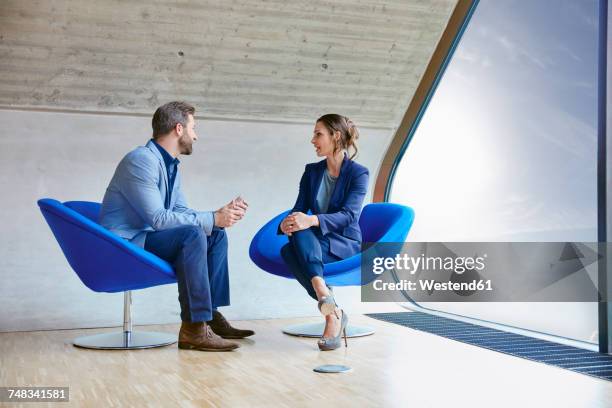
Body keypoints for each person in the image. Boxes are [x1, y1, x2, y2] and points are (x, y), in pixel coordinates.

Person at [100, 101, 254, 352]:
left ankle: (209, 316)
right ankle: (193, 329)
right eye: (194, 128)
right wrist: (212, 217)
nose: (196, 135)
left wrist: (218, 216)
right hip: (123, 245)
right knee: (195, 233)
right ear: (179, 129)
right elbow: (159, 219)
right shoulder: (141, 160)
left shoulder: (170, 165)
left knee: (214, 234)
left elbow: (180, 212)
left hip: (146, 237)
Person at [279, 114, 369, 351]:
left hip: (344, 243)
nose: (313, 140)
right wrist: (286, 223)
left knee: (290, 252)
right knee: (294, 234)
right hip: (317, 241)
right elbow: (298, 208)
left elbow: (349, 215)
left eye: (318, 134)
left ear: (335, 136)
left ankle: (329, 306)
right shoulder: (312, 171)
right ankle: (332, 311)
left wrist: (310, 219)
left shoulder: (358, 173)